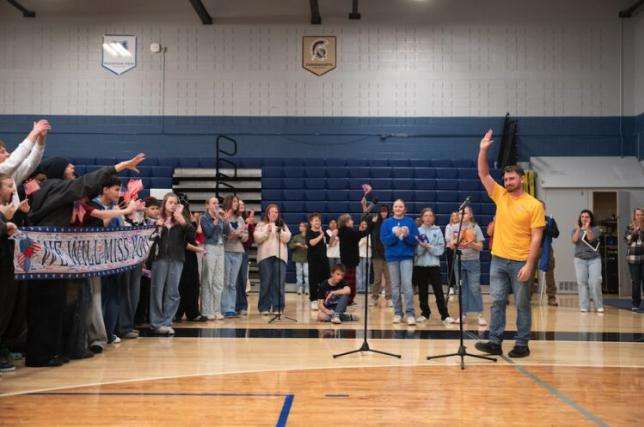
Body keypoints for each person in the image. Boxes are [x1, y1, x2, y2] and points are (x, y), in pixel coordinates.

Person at [25, 154, 145, 367]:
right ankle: (42, 355)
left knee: (44, 305)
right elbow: (87, 182)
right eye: (68, 166)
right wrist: (120, 166)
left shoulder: (46, 189)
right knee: (50, 304)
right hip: (50, 254)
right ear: (59, 170)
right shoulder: (57, 187)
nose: (72, 168)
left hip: (41, 254)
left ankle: (45, 352)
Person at [475, 129, 544, 359]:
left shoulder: (534, 205)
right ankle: (494, 341)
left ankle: (522, 344)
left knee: (522, 305)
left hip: (521, 262)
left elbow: (537, 237)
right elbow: (484, 174)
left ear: (521, 179)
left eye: (512, 178)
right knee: (496, 302)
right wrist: (483, 150)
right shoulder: (500, 195)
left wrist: (529, 265)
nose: (507, 181)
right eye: (505, 179)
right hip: (498, 260)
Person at [149, 192, 194, 336]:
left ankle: (167, 322)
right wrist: (156, 227)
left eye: (175, 203)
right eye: (170, 202)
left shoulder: (182, 219)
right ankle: (156, 323)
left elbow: (192, 237)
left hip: (177, 258)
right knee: (157, 291)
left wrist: (184, 222)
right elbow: (149, 239)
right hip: (160, 258)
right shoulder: (157, 219)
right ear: (165, 204)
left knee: (173, 292)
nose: (173, 205)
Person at [381, 199, 419, 326]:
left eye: (400, 206)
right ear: (393, 209)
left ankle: (410, 314)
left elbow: (415, 240)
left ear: (404, 209)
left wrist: (406, 235)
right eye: (396, 206)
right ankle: (397, 313)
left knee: (407, 285)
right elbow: (385, 241)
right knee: (395, 286)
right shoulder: (386, 223)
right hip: (392, 258)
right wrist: (395, 235)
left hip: (406, 257)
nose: (398, 208)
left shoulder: (410, 222)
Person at [447, 206, 487, 326]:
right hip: (459, 261)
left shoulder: (475, 227)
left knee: (474, 287)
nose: (461, 215)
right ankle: (463, 314)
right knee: (461, 288)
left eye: (464, 213)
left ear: (470, 215)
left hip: (473, 261)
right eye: (460, 213)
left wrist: (471, 243)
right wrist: (456, 241)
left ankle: (480, 314)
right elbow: (451, 246)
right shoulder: (454, 228)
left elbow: (481, 247)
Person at [414, 208, 454, 325]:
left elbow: (440, 250)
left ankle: (444, 315)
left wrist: (429, 247)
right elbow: (417, 251)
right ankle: (425, 313)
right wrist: (422, 247)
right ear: (422, 217)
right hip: (420, 265)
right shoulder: (417, 231)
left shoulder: (438, 230)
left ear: (433, 218)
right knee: (422, 291)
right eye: (425, 215)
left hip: (434, 266)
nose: (428, 218)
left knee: (438, 291)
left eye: (430, 215)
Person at [254, 204, 291, 315]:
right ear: (268, 213)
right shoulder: (261, 224)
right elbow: (257, 238)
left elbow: (288, 237)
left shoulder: (282, 225)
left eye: (276, 212)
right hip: (265, 257)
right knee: (266, 282)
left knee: (278, 283)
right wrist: (267, 232)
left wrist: (280, 232)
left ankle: (278, 307)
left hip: (280, 257)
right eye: (272, 212)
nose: (274, 213)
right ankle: (264, 307)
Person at [175, 195, 208, 323]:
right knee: (182, 284)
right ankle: (178, 312)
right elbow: (184, 241)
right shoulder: (177, 218)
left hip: (191, 255)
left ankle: (193, 312)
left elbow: (193, 237)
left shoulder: (189, 217)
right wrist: (198, 249)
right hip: (182, 253)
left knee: (193, 283)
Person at [200, 196, 229, 320]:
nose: (216, 205)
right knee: (208, 279)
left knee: (218, 280)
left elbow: (227, 232)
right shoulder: (204, 218)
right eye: (213, 203)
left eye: (217, 203)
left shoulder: (220, 218)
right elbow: (208, 232)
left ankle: (217, 309)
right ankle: (207, 310)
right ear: (207, 205)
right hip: (209, 247)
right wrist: (216, 220)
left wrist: (225, 220)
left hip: (220, 248)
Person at [135, 197, 161, 325]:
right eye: (152, 208)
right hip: (143, 259)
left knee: (151, 290)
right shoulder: (144, 224)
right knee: (142, 289)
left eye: (157, 208)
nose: (155, 211)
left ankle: (148, 316)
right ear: (146, 210)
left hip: (154, 260)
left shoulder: (158, 223)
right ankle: (139, 317)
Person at [572, 209, 604, 313]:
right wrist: (578, 230)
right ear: (580, 218)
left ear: (591, 219)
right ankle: (584, 306)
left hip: (594, 259)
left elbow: (590, 239)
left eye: (587, 217)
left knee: (595, 282)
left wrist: (587, 229)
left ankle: (598, 305)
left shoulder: (596, 229)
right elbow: (574, 240)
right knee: (582, 282)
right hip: (580, 259)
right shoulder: (576, 229)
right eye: (582, 217)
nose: (584, 219)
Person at [222, 195, 248, 318]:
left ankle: (231, 308)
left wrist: (240, 235)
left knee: (233, 282)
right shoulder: (223, 217)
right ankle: (224, 307)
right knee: (225, 281)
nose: (236, 203)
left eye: (237, 201)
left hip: (238, 251)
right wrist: (232, 234)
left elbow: (246, 236)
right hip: (226, 250)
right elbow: (221, 234)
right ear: (229, 202)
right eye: (234, 201)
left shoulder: (240, 218)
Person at [337, 213, 371, 304]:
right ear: (346, 222)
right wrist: (369, 227)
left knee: (348, 280)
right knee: (350, 281)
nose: (352, 221)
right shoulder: (348, 231)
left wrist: (360, 231)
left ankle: (347, 299)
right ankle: (348, 300)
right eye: (351, 220)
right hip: (350, 260)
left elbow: (355, 238)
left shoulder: (343, 231)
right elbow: (360, 235)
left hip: (347, 259)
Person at [369, 205, 392, 307]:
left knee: (389, 278)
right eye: (382, 211)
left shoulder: (390, 223)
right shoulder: (375, 223)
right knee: (377, 278)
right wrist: (372, 222)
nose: (383, 213)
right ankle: (374, 297)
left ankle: (389, 297)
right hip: (377, 255)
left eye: (385, 211)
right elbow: (371, 236)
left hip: (388, 255)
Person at [538, 201, 560, 306]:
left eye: (541, 207)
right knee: (528, 271)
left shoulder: (550, 220)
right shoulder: (528, 218)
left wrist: (546, 228)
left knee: (549, 271)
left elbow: (556, 234)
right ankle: (527, 296)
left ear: (544, 208)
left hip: (546, 247)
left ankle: (551, 297)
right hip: (531, 248)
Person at [306, 212, 329, 311]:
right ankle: (314, 300)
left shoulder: (323, 232)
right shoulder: (309, 232)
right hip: (314, 260)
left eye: (319, 220)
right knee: (314, 280)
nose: (318, 222)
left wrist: (333, 236)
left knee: (325, 280)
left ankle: (322, 300)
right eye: (315, 220)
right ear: (311, 222)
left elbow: (330, 243)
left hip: (324, 259)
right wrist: (321, 235)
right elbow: (312, 243)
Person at [237, 201, 255, 315]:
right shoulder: (232, 218)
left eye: (243, 204)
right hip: (231, 250)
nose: (241, 205)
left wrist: (249, 226)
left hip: (243, 251)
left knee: (243, 279)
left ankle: (243, 305)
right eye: (239, 204)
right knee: (232, 280)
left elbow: (249, 241)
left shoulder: (248, 219)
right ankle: (232, 305)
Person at [626, 208, 643, 311]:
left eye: (641, 215)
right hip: (633, 258)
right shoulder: (630, 226)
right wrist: (634, 232)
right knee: (636, 282)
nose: (639, 216)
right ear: (634, 216)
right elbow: (627, 240)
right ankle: (636, 304)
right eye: (637, 215)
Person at [289, 222, 309, 295]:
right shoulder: (296, 237)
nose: (300, 227)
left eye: (302, 226)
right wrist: (296, 244)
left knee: (306, 274)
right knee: (299, 274)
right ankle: (299, 289)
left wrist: (308, 247)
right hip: (297, 258)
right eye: (300, 226)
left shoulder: (309, 236)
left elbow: (312, 246)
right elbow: (290, 246)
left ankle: (307, 288)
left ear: (305, 228)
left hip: (306, 258)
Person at [444, 212, 460, 300]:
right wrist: (453, 239)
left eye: (457, 216)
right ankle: (451, 287)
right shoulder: (448, 226)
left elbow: (461, 237)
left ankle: (458, 286)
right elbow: (447, 238)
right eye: (453, 216)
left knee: (459, 268)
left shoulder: (461, 225)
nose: (455, 217)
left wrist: (456, 238)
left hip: (459, 248)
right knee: (450, 267)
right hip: (450, 248)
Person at [356, 220, 371, 295]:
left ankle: (366, 288)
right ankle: (359, 288)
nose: (364, 225)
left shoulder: (370, 234)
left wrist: (366, 241)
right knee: (359, 273)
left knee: (366, 273)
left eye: (365, 224)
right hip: (358, 255)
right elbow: (356, 245)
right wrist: (363, 241)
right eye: (362, 224)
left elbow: (371, 245)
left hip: (367, 255)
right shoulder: (357, 234)